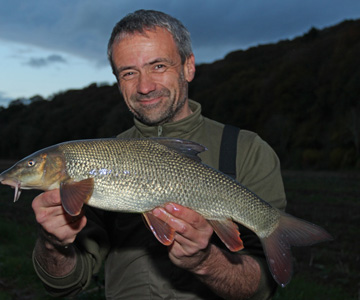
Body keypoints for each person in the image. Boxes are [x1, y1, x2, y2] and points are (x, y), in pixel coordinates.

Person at [31, 9, 287, 299]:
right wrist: (52, 243)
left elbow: (261, 289)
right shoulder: (99, 161)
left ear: (188, 67)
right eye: (129, 72)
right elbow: (65, 284)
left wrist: (204, 260)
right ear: (117, 81)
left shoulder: (247, 150)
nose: (145, 86)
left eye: (159, 66)